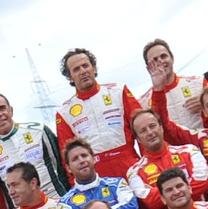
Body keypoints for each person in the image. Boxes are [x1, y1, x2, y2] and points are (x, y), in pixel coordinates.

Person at [54, 47, 146, 179]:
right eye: (76, 69)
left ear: (94, 68)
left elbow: (143, 130)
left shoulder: (118, 91)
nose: (83, 71)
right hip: (95, 175)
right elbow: (67, 157)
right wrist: (79, 185)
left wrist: (150, 165)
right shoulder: (64, 113)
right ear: (70, 78)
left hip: (131, 167)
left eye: (85, 66)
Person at [125, 108, 208, 209]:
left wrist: (159, 191)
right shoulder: (134, 172)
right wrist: (186, 182)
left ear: (161, 128)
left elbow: (205, 182)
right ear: (138, 140)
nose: (150, 133)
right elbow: (151, 202)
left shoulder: (189, 151)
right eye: (143, 130)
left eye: (152, 126)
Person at [0, 93, 69, 198]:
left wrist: (67, 196)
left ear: (11, 110)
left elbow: (62, 165)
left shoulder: (39, 130)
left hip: (54, 199)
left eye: (2, 108)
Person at [60, 138, 138, 209]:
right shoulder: (65, 202)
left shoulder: (117, 184)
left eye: (84, 155)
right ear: (68, 168)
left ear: (93, 158)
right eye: (75, 159)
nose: (81, 160)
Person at [143, 38, 206, 132]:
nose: (160, 61)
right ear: (148, 68)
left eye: (163, 56)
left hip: (205, 144)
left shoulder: (199, 83)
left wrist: (206, 104)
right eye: (155, 60)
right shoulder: (143, 103)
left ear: (172, 58)